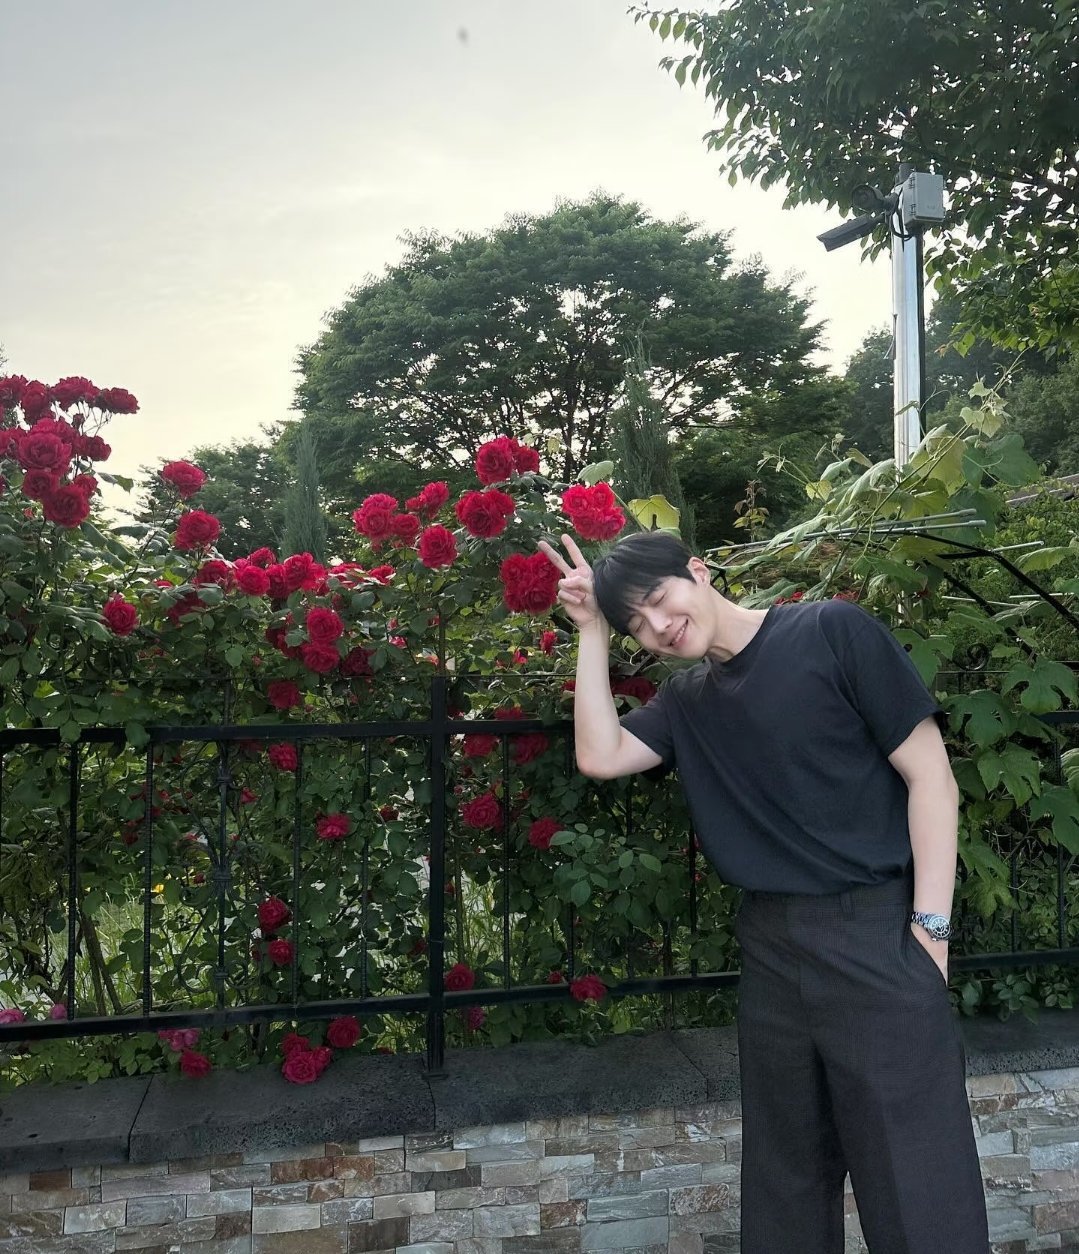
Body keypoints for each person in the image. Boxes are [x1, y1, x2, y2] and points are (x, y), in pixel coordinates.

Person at [538, 529, 989, 1254]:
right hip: (772, 951)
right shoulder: (687, 700)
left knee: (919, 1185)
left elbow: (930, 779)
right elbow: (600, 753)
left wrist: (929, 932)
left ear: (697, 568)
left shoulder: (831, 632)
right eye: (637, 624)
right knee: (785, 1184)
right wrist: (591, 630)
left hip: (874, 936)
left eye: (659, 598)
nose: (658, 625)